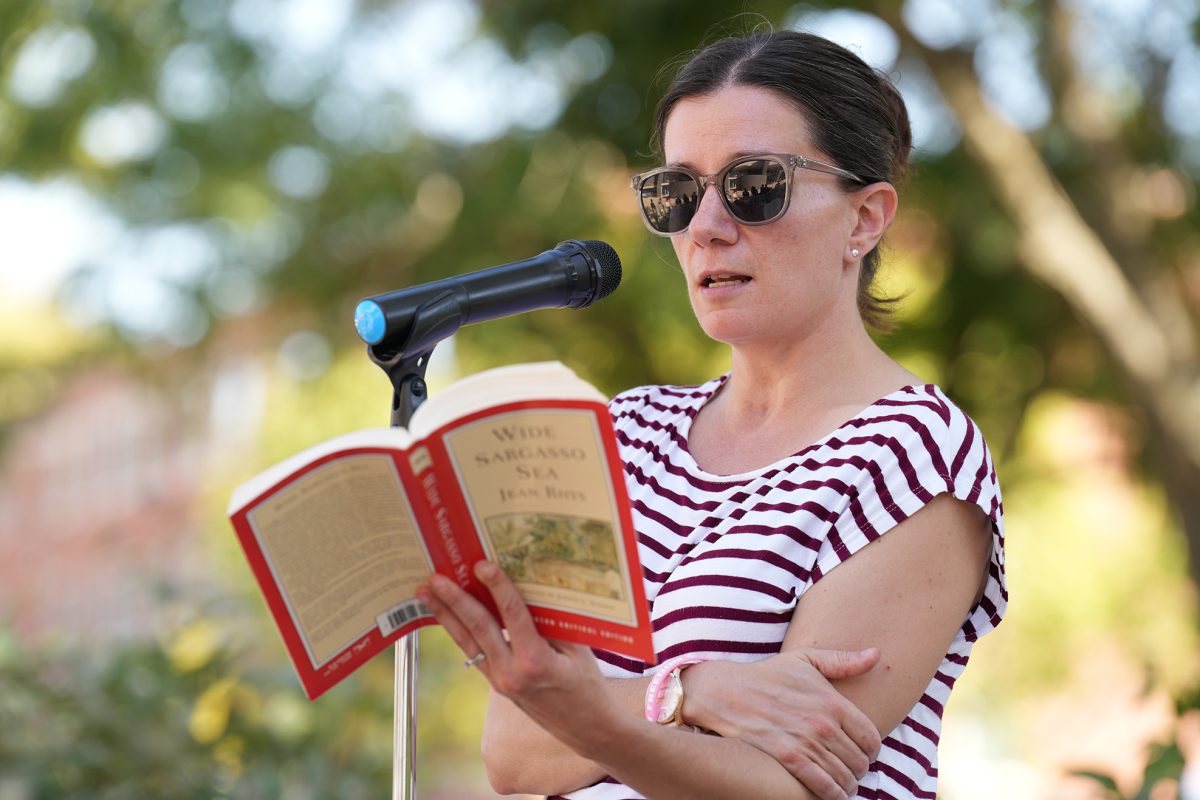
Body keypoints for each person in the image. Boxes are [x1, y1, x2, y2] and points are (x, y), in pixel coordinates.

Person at [417, 28, 1007, 800]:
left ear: (865, 219)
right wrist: (695, 692)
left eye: (752, 185)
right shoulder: (622, 432)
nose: (706, 226)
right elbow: (515, 751)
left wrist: (603, 711)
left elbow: (787, 782)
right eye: (678, 192)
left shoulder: (915, 453)